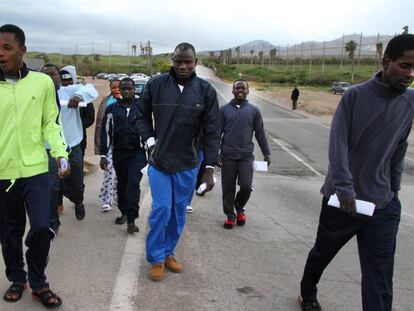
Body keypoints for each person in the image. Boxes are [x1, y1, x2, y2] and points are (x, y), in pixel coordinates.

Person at [298, 34, 414, 311]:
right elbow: (338, 146)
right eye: (405, 65)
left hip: (383, 205)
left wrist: (393, 192)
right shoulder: (355, 96)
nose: (410, 74)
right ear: (386, 62)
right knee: (322, 254)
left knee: (380, 275)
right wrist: (345, 189)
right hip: (343, 202)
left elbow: (399, 148)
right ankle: (307, 291)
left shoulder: (409, 102)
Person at [134, 42, 220, 281]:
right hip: (159, 160)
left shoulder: (205, 90)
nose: (183, 66)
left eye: (188, 61)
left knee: (178, 212)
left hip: (188, 163)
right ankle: (156, 258)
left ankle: (169, 252)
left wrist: (209, 168)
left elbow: (213, 131)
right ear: (172, 60)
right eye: (178, 61)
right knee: (161, 209)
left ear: (195, 62)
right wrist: (150, 140)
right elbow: (140, 114)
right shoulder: (156, 85)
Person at [0, 24, 69, 308]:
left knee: (42, 226)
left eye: (6, 47)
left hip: (37, 169)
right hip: (3, 173)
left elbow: (50, 123)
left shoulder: (42, 83)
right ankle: (18, 278)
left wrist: (61, 152)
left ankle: (39, 282)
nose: (0, 54)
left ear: (22, 50)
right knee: (9, 232)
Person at [219, 79, 271, 229]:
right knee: (228, 188)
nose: (240, 90)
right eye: (237, 88)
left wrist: (267, 153)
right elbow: (217, 134)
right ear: (233, 91)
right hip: (227, 156)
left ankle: (239, 206)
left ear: (248, 91)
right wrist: (216, 154)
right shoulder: (223, 111)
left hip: (246, 156)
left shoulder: (254, 111)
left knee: (246, 186)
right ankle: (230, 215)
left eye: (243, 88)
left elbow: (260, 134)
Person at [100, 78, 147, 233]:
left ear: (134, 90)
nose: (126, 91)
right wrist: (103, 154)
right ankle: (124, 212)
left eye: (129, 88)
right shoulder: (112, 109)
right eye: (123, 89)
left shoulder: (142, 107)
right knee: (122, 185)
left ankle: (132, 220)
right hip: (119, 153)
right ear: (119, 90)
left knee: (133, 184)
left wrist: (151, 147)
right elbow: (105, 132)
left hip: (137, 154)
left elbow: (149, 128)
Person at [53, 65, 98, 224]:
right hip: (50, 148)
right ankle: (54, 221)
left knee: (76, 182)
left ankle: (78, 201)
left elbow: (91, 90)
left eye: (53, 74)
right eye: (46, 75)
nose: (50, 78)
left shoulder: (70, 91)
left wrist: (78, 97)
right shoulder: (39, 94)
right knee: (53, 184)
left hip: (73, 145)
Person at [94, 79, 121, 212]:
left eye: (118, 87)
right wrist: (101, 147)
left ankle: (116, 196)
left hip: (123, 145)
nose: (116, 89)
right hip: (109, 144)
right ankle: (106, 199)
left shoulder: (130, 101)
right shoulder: (106, 102)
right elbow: (100, 124)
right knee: (109, 172)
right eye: (113, 87)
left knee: (120, 173)